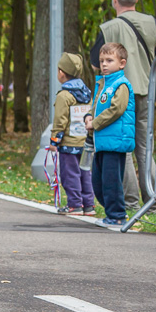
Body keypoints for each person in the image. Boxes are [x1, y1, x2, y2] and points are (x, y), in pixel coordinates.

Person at [89, 0, 156, 212]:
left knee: (123, 145)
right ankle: (151, 202)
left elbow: (94, 64)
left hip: (120, 93)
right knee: (144, 145)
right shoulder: (153, 23)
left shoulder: (109, 28)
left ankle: (129, 203)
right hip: (148, 93)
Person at [83, 43, 136, 229]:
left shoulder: (120, 84)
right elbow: (95, 105)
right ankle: (111, 211)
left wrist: (94, 123)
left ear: (122, 63)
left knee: (111, 181)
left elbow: (116, 110)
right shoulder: (103, 83)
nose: (104, 64)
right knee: (98, 181)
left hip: (115, 141)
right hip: (102, 142)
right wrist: (89, 116)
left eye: (109, 60)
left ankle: (118, 216)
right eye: (102, 61)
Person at [50, 53, 95, 216]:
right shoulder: (87, 93)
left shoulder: (64, 96)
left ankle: (75, 204)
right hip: (85, 143)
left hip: (68, 144)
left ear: (61, 72)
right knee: (85, 173)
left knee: (70, 174)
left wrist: (54, 141)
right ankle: (89, 205)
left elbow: (60, 121)